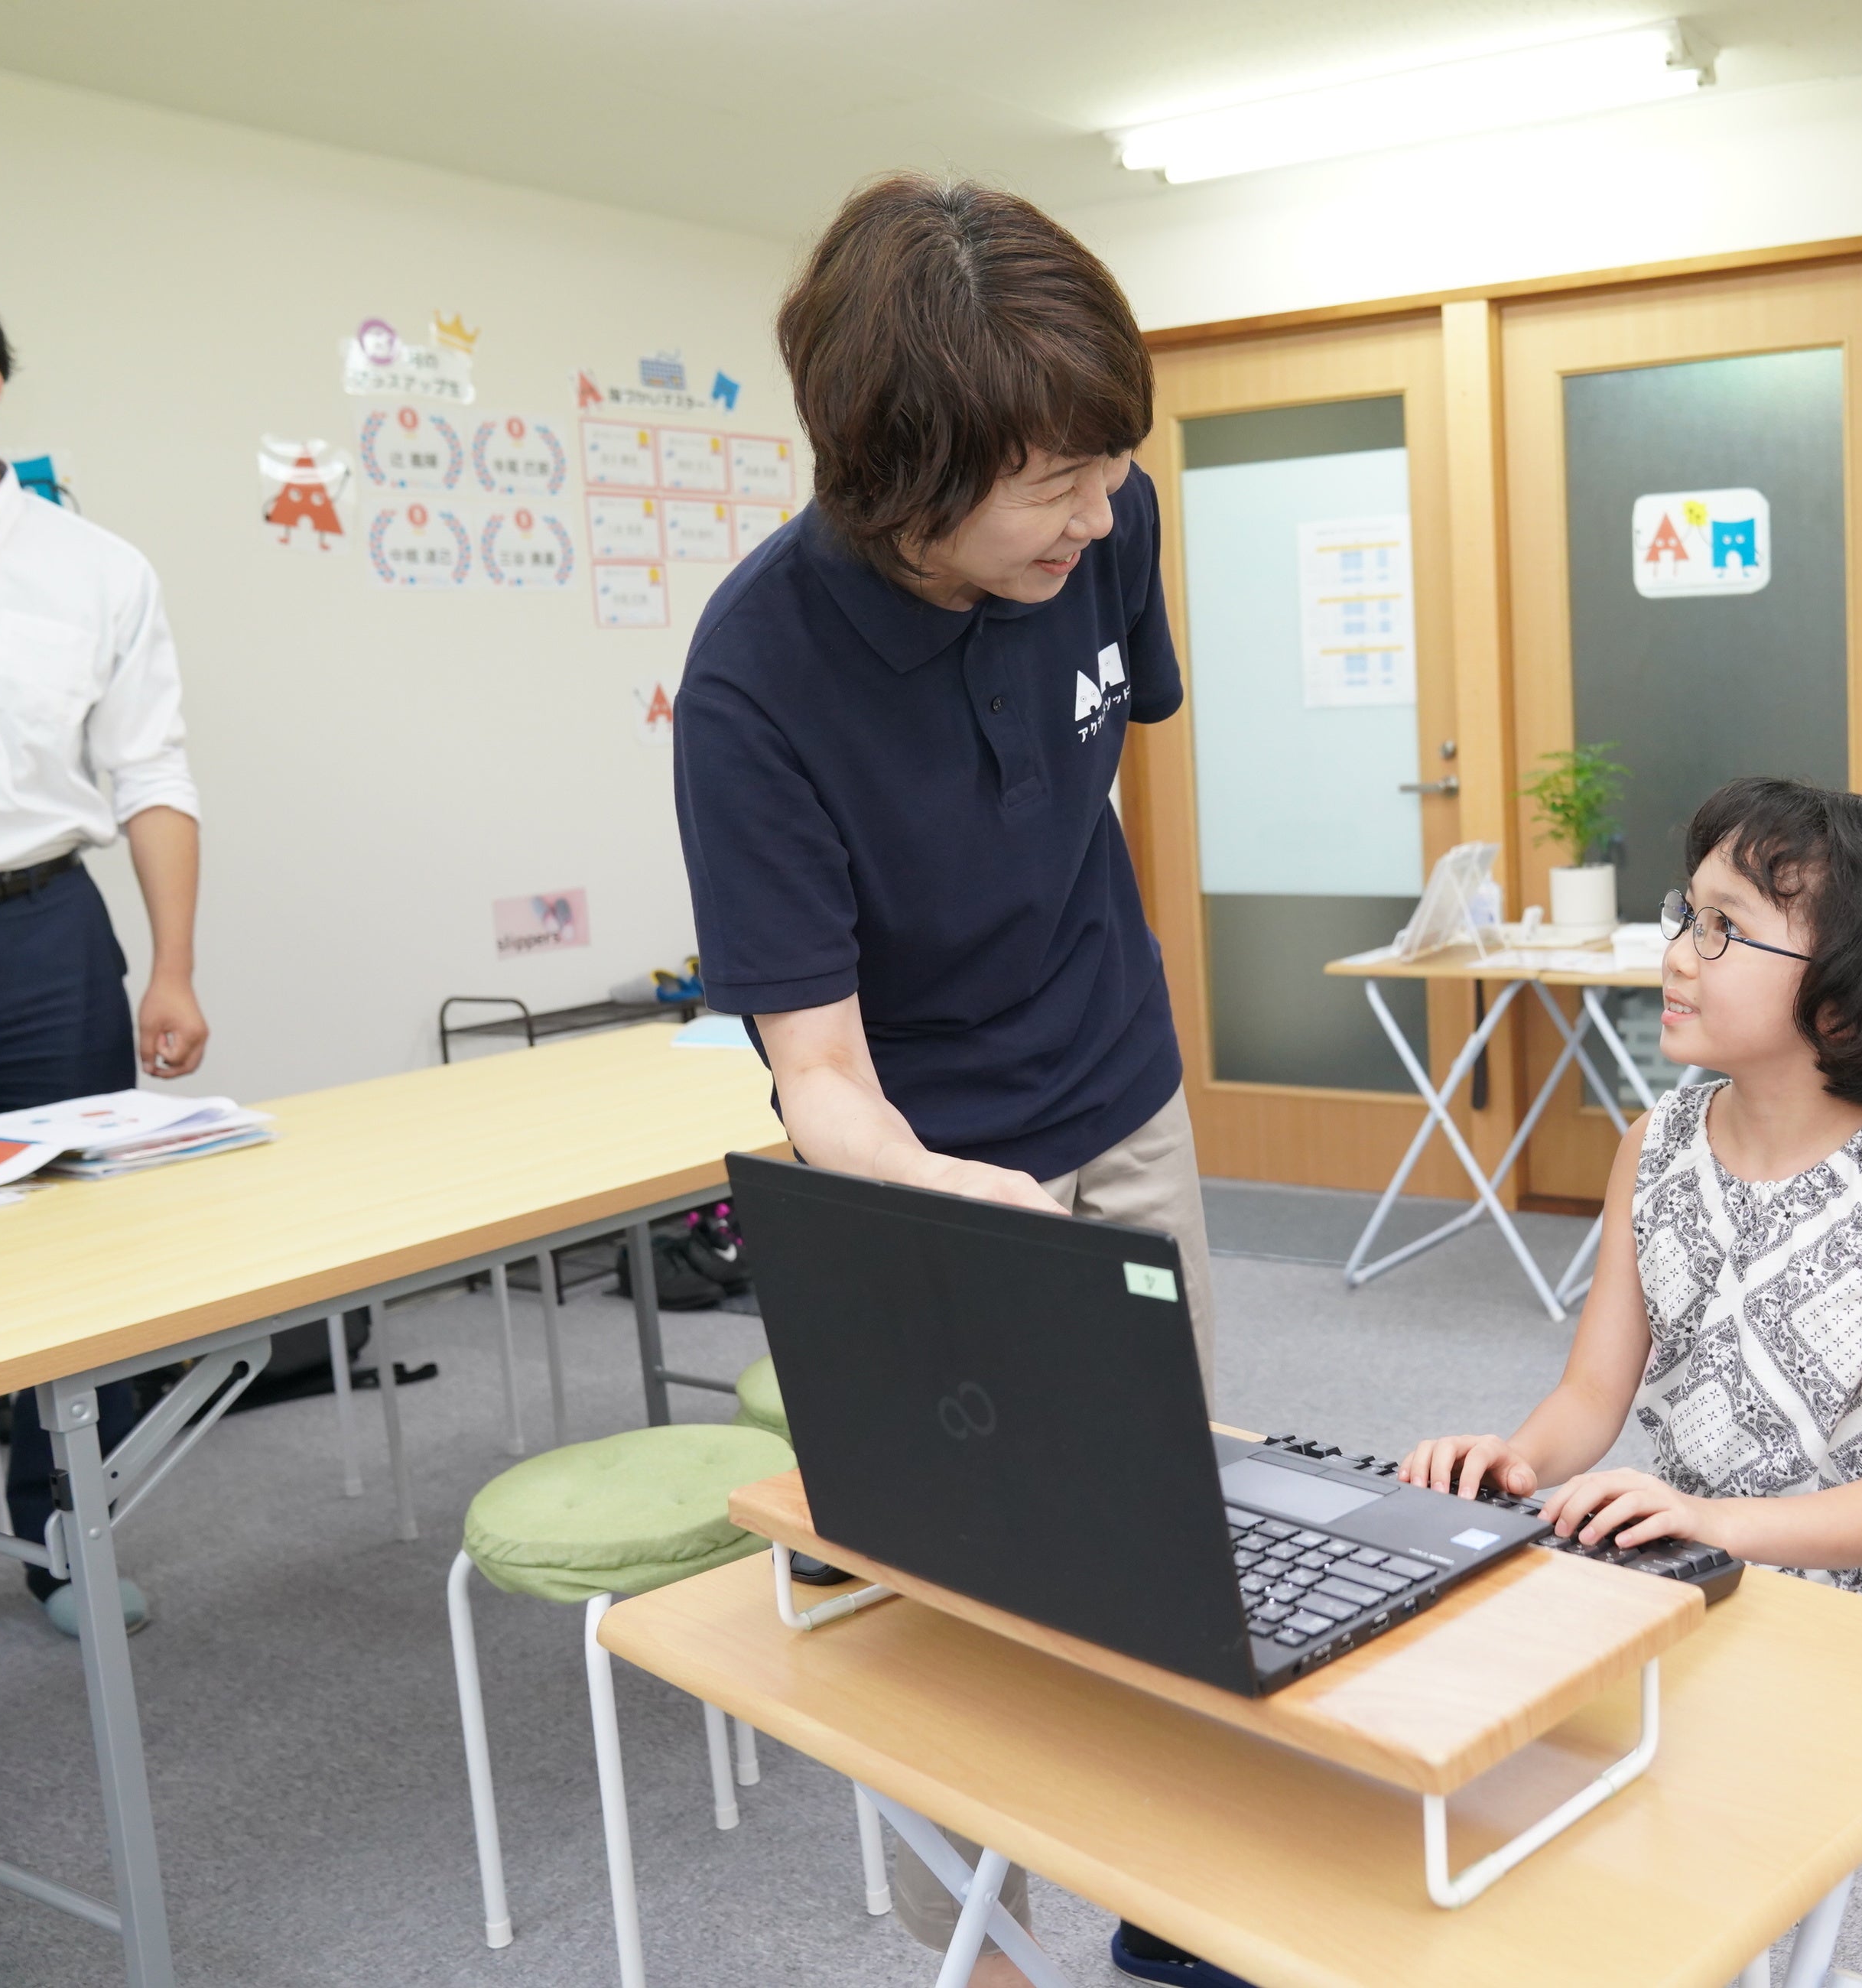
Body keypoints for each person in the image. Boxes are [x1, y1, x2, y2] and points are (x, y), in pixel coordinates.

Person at [671, 177, 1236, 1988]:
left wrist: (1095, 1018)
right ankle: (983, 1964)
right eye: (1053, 481)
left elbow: (1098, 774)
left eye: (1111, 462)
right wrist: (949, 1199)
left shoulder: (1107, 524)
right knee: (943, 1601)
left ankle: (1185, 1915)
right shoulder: (755, 683)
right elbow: (819, 1075)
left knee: (1174, 1531)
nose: (1101, 508)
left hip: (1119, 1081)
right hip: (915, 1156)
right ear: (900, 476)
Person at [1402, 778, 1862, 1623]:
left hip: (1859, 1614)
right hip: (1692, 1574)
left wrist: (1714, 1523)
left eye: (1724, 928)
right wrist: (1515, 1460)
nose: (1680, 952)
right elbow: (1590, 1395)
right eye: (1687, 914)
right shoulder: (1655, 1142)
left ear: (1845, 994)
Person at [0, 292, 208, 1639]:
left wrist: (174, 966)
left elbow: (151, 773)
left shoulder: (92, 568)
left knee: (71, 1243)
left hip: (39, 931)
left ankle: (67, 1540)